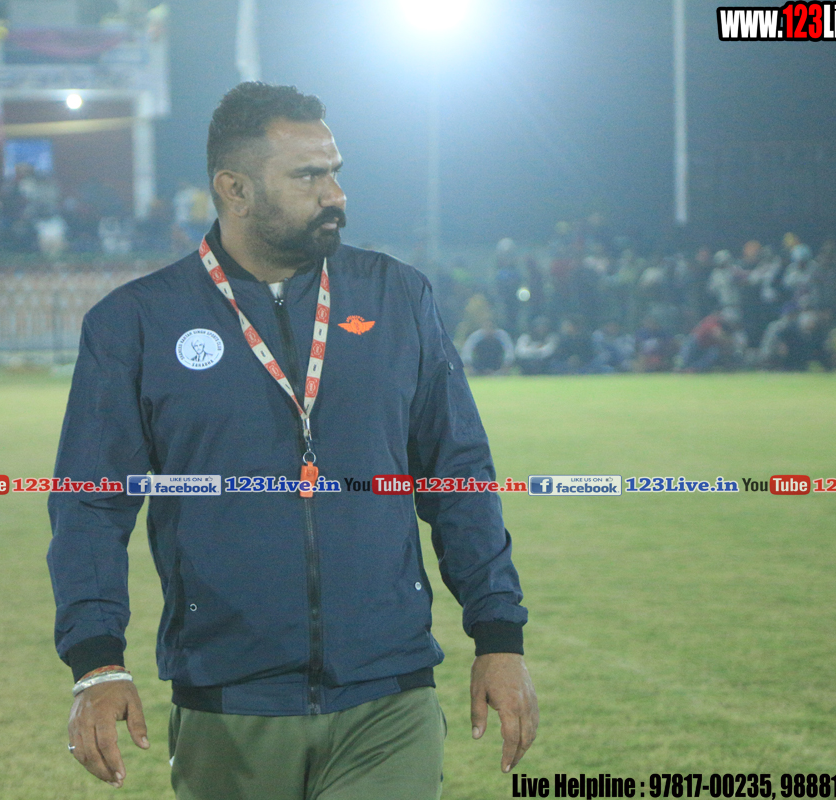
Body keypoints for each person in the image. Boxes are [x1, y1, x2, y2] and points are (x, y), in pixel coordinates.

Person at [48, 82, 536, 800]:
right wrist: (96, 663)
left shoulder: (397, 297)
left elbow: (458, 473)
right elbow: (90, 504)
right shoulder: (137, 323)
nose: (335, 194)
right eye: (308, 176)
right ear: (235, 189)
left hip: (388, 695)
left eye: (334, 171)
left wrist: (498, 636)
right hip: (228, 703)